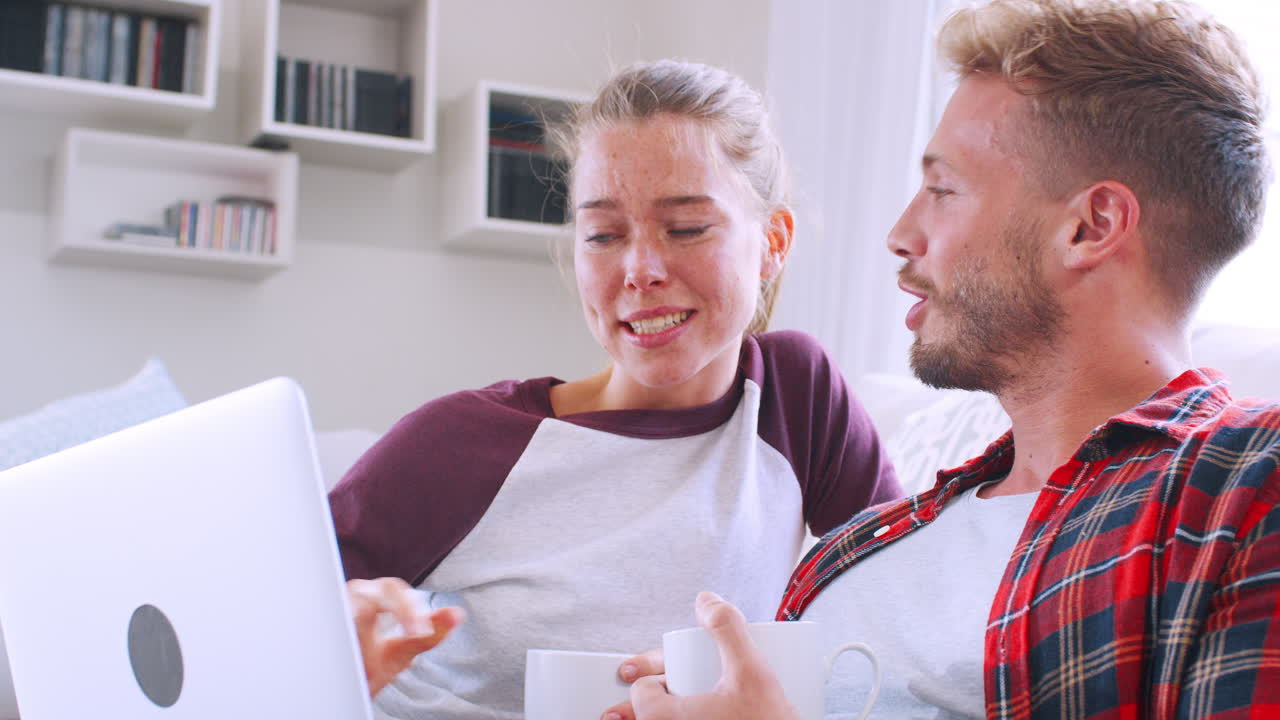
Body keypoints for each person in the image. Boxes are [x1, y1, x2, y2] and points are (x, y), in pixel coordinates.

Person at [607, 0, 1280, 718]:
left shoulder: (1241, 491)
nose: (901, 234)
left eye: (942, 191)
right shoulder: (866, 543)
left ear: (1090, 227)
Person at [328, 59, 902, 719]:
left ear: (773, 242)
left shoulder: (794, 397)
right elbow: (265, 617)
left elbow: (900, 630)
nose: (640, 269)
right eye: (602, 235)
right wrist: (331, 661)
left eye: (685, 228)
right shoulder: (461, 443)